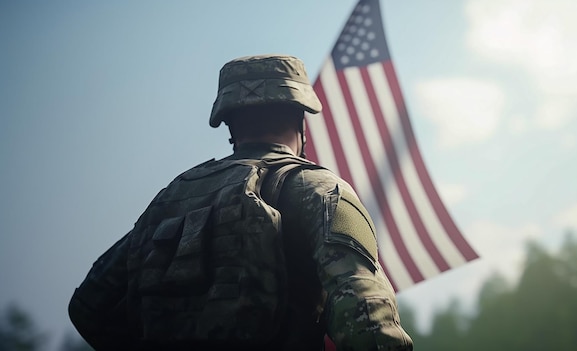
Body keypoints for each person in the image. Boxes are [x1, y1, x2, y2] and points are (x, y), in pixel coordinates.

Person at [68, 54, 414, 351]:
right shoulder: (318, 189)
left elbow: (89, 307)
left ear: (230, 123)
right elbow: (366, 310)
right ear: (299, 119)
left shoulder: (172, 197)